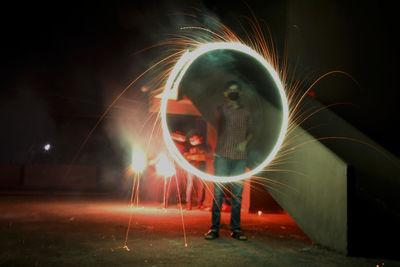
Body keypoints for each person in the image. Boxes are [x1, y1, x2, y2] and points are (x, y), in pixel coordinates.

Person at [204, 80, 253, 241]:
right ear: (225, 94)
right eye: (230, 90)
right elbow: (218, 118)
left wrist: (244, 143)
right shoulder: (221, 110)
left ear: (241, 93)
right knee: (218, 194)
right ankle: (214, 229)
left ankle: (236, 230)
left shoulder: (246, 112)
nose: (233, 92)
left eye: (236, 90)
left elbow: (251, 132)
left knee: (237, 196)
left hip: (240, 158)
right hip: (222, 156)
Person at [184, 131, 211, 210]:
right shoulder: (188, 146)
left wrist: (192, 157)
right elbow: (185, 156)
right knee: (189, 185)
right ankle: (188, 204)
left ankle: (199, 204)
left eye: (195, 138)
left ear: (199, 138)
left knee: (201, 186)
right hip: (191, 168)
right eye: (192, 138)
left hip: (201, 169)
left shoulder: (204, 146)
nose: (193, 140)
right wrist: (197, 157)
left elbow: (205, 157)